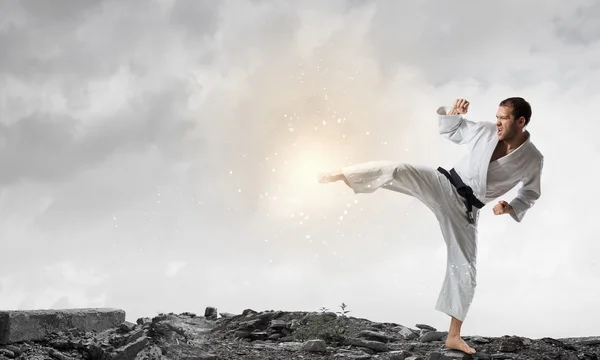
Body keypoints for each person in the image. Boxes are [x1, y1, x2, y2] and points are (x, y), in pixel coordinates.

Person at [318, 97, 544, 354]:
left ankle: (454, 336)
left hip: (467, 209)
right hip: (444, 183)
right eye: (497, 116)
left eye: (503, 117)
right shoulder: (485, 130)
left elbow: (531, 192)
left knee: (465, 268)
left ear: (521, 121)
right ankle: (342, 174)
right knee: (400, 169)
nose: (497, 122)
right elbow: (452, 131)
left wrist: (510, 206)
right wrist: (453, 115)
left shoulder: (533, 159)